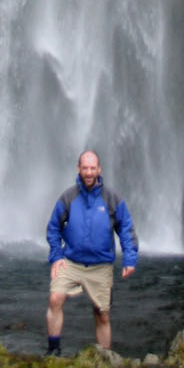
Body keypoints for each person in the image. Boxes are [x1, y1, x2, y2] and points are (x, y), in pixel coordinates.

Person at [45, 149, 137, 356]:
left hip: (100, 265)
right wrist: (56, 257)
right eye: (85, 168)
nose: (88, 172)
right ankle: (53, 351)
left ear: (99, 169)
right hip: (71, 261)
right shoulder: (68, 197)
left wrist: (130, 258)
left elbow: (126, 228)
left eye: (92, 168)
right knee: (55, 299)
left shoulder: (112, 198)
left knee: (102, 314)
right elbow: (53, 228)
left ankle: (106, 358)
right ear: (78, 168)